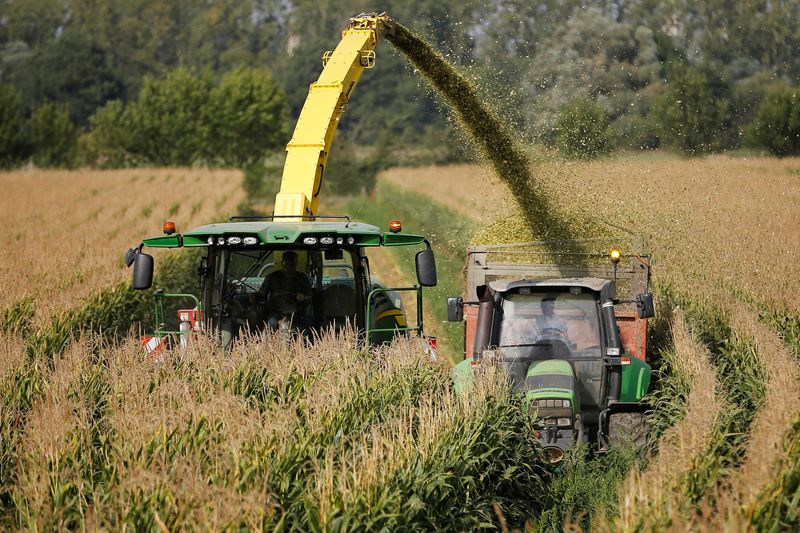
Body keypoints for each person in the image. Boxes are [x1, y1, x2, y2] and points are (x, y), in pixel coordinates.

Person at [260, 250, 313, 328]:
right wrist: (255, 296)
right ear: (282, 263)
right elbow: (262, 294)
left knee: (307, 327)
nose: (289, 267)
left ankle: (305, 339)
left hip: (297, 313)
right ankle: (271, 339)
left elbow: (311, 297)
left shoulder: (303, 278)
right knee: (271, 323)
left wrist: (304, 297)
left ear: (296, 264)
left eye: (291, 264)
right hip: (276, 312)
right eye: (286, 264)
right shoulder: (272, 277)